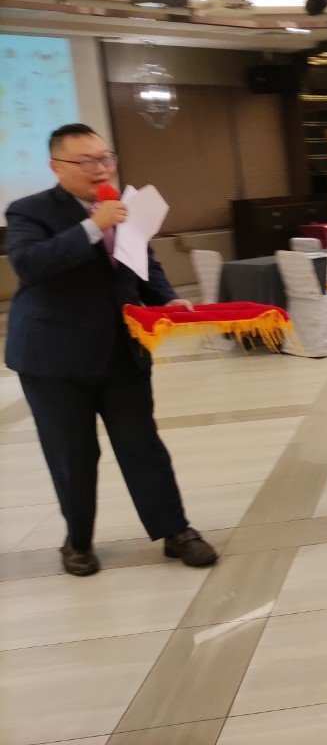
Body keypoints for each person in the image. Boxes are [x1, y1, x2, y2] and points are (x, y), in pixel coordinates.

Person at [5, 124, 219, 577]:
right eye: (87, 161)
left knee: (143, 446)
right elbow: (29, 264)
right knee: (73, 454)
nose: (101, 168)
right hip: (54, 359)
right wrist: (92, 226)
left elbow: (143, 263)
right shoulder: (29, 210)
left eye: (106, 158)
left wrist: (166, 299)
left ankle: (175, 530)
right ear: (56, 167)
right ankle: (78, 541)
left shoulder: (127, 206)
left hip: (122, 349)